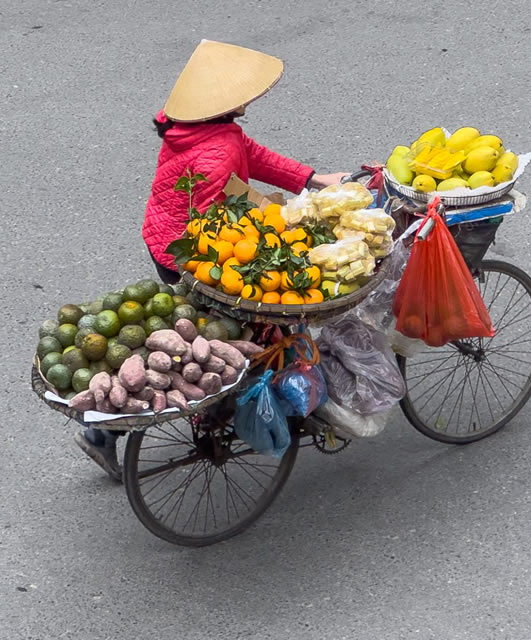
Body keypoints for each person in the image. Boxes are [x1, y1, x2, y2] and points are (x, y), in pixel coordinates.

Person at [74, 40, 349, 481]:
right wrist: (274, 241)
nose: (248, 98)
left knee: (221, 331)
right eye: (241, 93)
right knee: (209, 339)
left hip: (164, 235)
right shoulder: (216, 151)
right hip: (188, 254)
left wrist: (313, 179)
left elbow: (253, 157)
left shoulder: (197, 129)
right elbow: (208, 225)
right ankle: (110, 432)